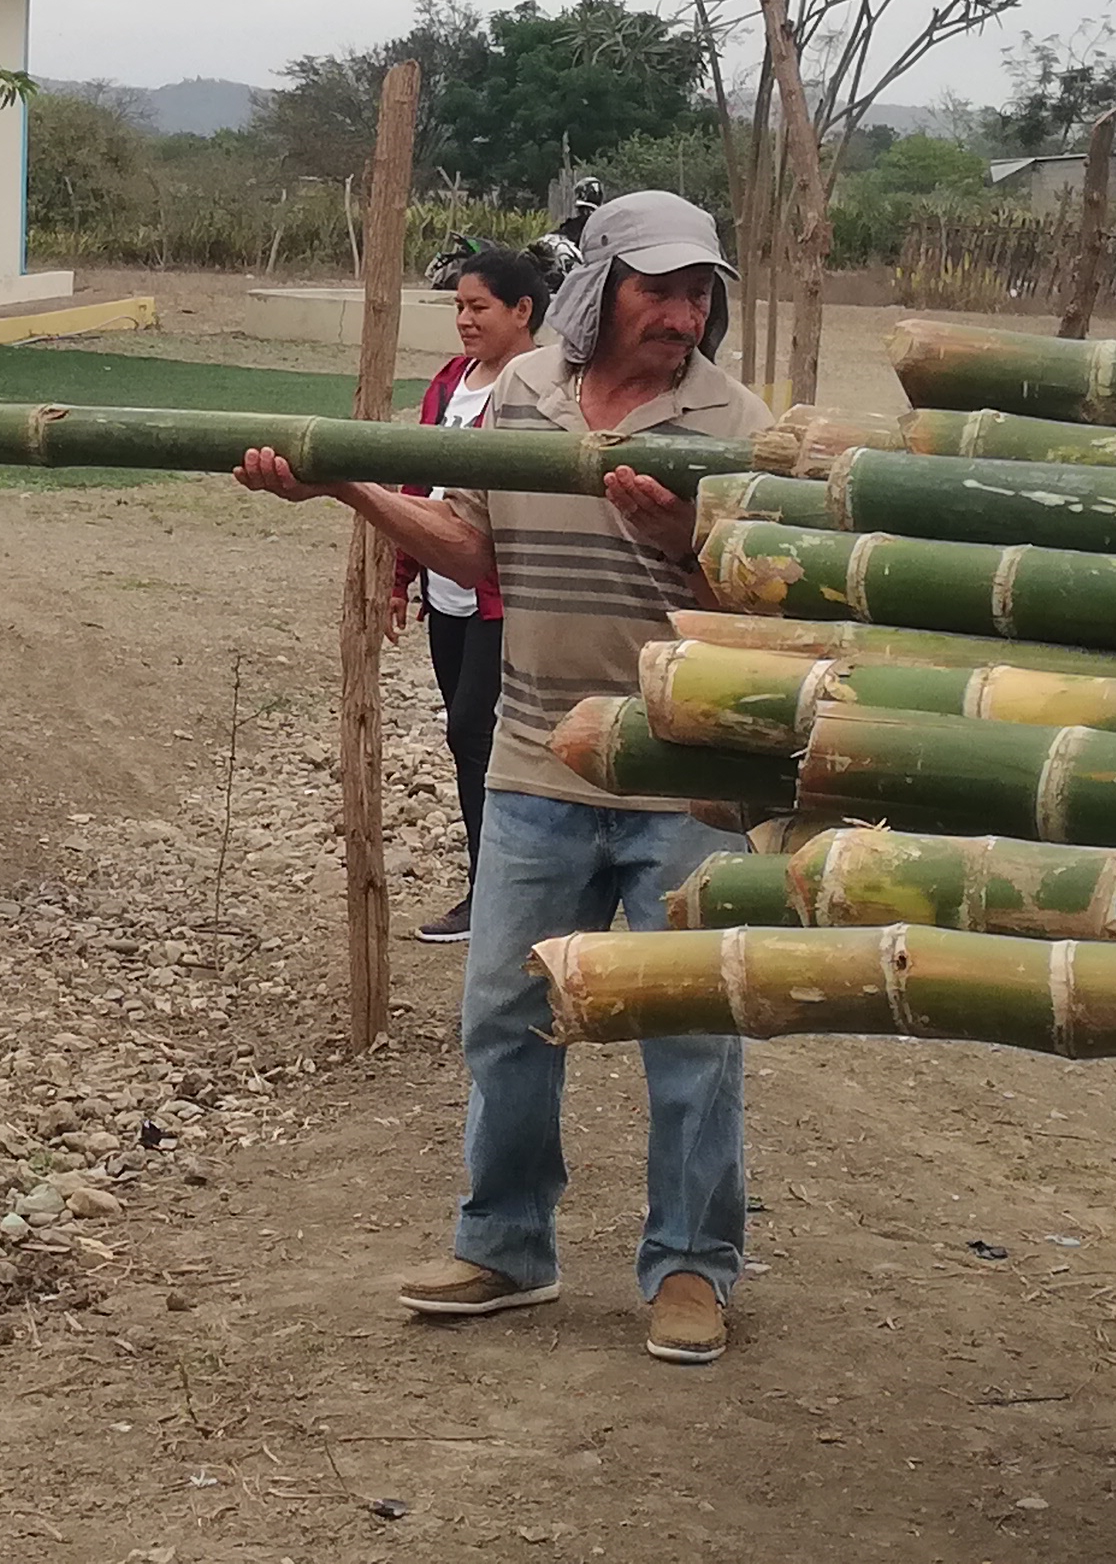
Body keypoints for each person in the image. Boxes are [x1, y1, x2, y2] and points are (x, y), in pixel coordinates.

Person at [233, 192, 766, 1365]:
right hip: (534, 759)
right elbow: (475, 550)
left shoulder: (735, 422)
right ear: (602, 289)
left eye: (700, 295)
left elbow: (764, 609)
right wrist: (348, 487)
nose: (684, 316)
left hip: (685, 780)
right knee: (506, 1016)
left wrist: (681, 539)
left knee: (691, 1033)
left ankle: (692, 1266)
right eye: (661, 291)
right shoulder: (519, 394)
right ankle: (508, 1244)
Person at [393, 246, 551, 949]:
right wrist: (399, 576)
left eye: (478, 307)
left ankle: (497, 892)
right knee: (467, 742)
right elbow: (416, 484)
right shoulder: (449, 383)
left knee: (474, 730)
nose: (463, 319)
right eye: (458, 306)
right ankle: (492, 882)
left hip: (502, 595)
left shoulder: (540, 391)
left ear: (522, 311)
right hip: (447, 591)